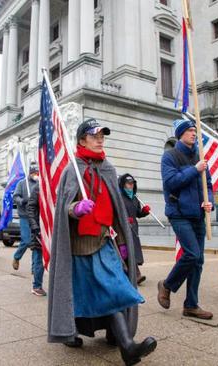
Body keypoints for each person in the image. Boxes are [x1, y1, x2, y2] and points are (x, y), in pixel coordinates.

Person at [47, 118, 157, 366]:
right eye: (94, 135)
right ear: (82, 139)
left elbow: (117, 208)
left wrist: (122, 242)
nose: (100, 139)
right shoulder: (71, 169)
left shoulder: (108, 168)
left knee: (113, 288)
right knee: (86, 292)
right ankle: (76, 332)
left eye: (102, 135)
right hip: (80, 244)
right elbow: (62, 207)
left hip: (105, 240)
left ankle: (125, 343)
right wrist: (77, 208)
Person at [156, 119, 214, 320]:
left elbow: (209, 185)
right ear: (181, 134)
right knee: (192, 254)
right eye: (190, 130)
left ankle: (191, 305)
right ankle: (167, 285)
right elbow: (171, 183)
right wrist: (195, 169)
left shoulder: (200, 157)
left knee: (198, 261)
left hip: (197, 214)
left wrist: (210, 202)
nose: (193, 134)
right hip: (178, 212)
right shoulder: (169, 156)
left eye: (195, 131)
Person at [118, 174, 151, 285]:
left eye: (132, 183)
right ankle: (136, 275)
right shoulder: (119, 198)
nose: (130, 186)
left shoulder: (135, 198)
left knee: (132, 251)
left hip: (133, 229)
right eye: (128, 183)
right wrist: (125, 219)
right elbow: (116, 213)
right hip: (122, 229)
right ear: (123, 184)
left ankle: (132, 274)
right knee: (127, 251)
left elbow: (137, 214)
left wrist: (144, 212)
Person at [11, 165, 39, 270]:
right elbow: (16, 196)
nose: (36, 175)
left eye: (37, 173)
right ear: (30, 173)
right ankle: (16, 257)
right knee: (27, 240)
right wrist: (22, 201)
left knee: (36, 242)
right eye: (34, 173)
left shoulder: (40, 184)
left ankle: (34, 267)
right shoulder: (22, 183)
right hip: (25, 216)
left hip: (36, 216)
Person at [25, 182, 46, 296]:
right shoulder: (38, 187)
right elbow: (30, 208)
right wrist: (35, 226)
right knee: (39, 259)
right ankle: (37, 286)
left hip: (53, 228)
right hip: (39, 228)